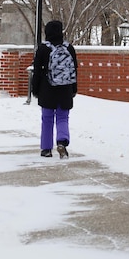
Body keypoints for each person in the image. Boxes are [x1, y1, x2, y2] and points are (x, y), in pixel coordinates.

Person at [31, 20, 78, 158]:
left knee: (47, 118)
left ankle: (46, 149)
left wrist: (35, 89)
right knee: (63, 117)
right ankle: (62, 142)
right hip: (65, 89)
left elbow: (37, 71)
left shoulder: (43, 48)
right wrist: (74, 88)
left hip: (47, 88)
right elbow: (74, 69)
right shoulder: (69, 48)